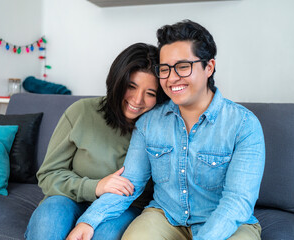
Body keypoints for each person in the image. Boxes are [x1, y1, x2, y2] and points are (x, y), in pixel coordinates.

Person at [67, 20, 265, 240]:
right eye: (165, 69)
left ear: (208, 67)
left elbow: (237, 201)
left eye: (182, 67)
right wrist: (88, 221)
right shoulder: (149, 122)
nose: (171, 78)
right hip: (164, 217)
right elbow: (130, 182)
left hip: (227, 226)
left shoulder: (244, 125)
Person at [25, 42, 168, 240]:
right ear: (117, 81)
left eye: (150, 93)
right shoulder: (81, 112)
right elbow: (48, 175)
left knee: (104, 235)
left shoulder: (161, 127)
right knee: (48, 225)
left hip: (124, 208)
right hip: (67, 200)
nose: (137, 100)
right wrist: (96, 187)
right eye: (130, 87)